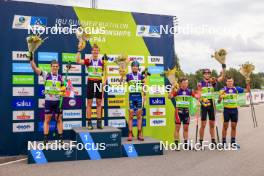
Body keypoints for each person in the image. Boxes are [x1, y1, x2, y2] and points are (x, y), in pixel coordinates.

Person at [29, 54, 64, 145]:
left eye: (56, 66)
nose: (55, 68)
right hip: (48, 102)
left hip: (57, 102)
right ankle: (45, 139)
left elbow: (65, 89)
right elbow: (35, 69)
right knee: (47, 120)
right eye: (53, 66)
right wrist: (31, 60)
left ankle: (60, 139)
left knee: (59, 120)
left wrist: (63, 90)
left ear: (58, 67)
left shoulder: (61, 77)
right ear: (50, 67)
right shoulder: (46, 75)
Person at [76, 43, 104, 130]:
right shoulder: (88, 61)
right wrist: (79, 50)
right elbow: (77, 61)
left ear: (98, 52)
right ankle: (89, 122)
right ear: (91, 51)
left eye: (97, 50)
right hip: (91, 82)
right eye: (94, 50)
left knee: (99, 103)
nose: (95, 52)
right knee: (89, 104)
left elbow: (105, 74)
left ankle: (99, 122)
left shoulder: (102, 62)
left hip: (99, 82)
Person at [218, 76, 250, 149]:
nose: (229, 83)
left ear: (233, 82)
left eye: (231, 81)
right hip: (226, 110)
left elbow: (248, 91)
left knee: (233, 126)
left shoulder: (236, 89)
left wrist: (248, 83)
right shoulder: (223, 90)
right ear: (226, 82)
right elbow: (218, 101)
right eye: (228, 81)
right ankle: (223, 143)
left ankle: (233, 142)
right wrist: (220, 97)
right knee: (225, 126)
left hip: (234, 110)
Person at [197, 67, 225, 146]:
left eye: (209, 73)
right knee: (203, 124)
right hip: (204, 104)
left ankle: (213, 140)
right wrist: (201, 101)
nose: (207, 75)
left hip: (212, 104)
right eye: (206, 74)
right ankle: (201, 142)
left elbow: (222, 77)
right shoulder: (200, 83)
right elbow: (199, 94)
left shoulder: (213, 81)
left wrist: (223, 68)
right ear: (203, 75)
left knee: (212, 124)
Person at [169, 78, 197, 150]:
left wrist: (201, 101)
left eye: (186, 83)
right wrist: (172, 88)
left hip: (186, 112)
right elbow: (169, 97)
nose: (185, 85)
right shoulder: (177, 91)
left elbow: (196, 97)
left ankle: (186, 144)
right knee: (177, 128)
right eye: (184, 83)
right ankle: (176, 144)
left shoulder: (190, 91)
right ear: (181, 84)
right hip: (178, 112)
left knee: (186, 128)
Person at [122, 60, 145, 141]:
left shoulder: (141, 76)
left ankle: (139, 133)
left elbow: (144, 87)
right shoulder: (128, 75)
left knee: (139, 116)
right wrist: (122, 75)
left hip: (139, 96)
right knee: (131, 115)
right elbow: (121, 83)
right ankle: (130, 133)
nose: (135, 67)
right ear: (131, 67)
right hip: (131, 96)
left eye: (136, 66)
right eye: (133, 66)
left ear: (138, 67)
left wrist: (144, 95)